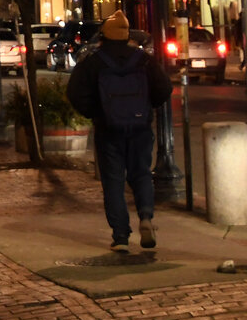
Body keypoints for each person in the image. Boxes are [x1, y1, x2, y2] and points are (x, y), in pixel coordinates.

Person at [69, 15, 171, 254]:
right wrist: (146, 107)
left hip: (108, 130)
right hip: (140, 128)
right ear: (127, 36)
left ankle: (121, 236)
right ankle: (146, 216)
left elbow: (75, 93)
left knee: (113, 181)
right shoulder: (144, 61)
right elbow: (164, 88)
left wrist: (95, 111)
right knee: (142, 174)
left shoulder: (94, 62)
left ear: (104, 36)